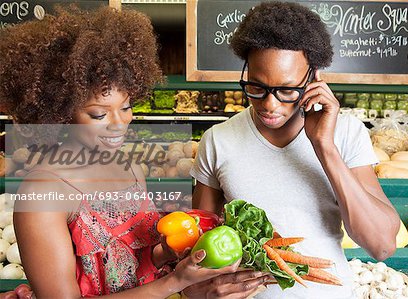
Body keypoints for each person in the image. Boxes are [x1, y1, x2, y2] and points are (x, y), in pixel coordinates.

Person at [0, 7, 270, 298]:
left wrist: (166, 254)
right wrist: (175, 282)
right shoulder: (42, 193)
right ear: (60, 114)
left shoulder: (128, 168)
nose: (120, 122)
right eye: (98, 114)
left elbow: (129, 269)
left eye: (126, 107)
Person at [190, 2, 401, 298]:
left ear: (313, 77)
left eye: (287, 90)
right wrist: (205, 291)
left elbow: (381, 245)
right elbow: (194, 256)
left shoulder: (346, 133)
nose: (269, 104)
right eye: (256, 87)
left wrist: (324, 146)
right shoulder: (218, 140)